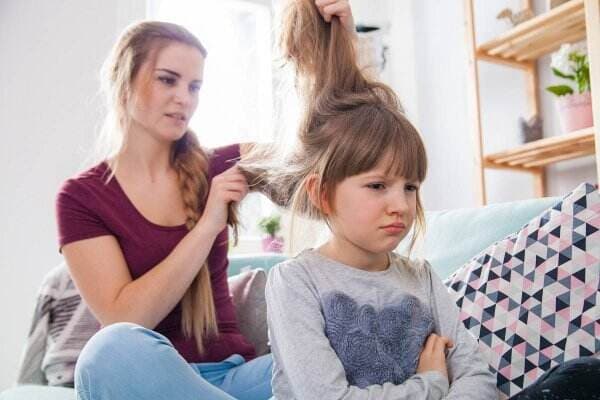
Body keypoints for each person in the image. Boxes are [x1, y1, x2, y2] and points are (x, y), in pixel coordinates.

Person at [255, 1, 600, 400]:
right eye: (377, 186)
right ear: (321, 193)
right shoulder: (295, 282)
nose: (400, 205)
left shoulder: (422, 278)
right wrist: (431, 383)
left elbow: (475, 376)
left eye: (410, 187)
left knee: (582, 375)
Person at [56, 3, 355, 399]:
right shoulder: (81, 198)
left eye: (194, 86)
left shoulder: (223, 163)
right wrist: (208, 224)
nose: (184, 98)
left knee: (351, 347)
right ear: (123, 82)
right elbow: (125, 318)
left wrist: (340, 49)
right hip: (148, 379)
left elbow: (331, 188)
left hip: (237, 380)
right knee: (105, 352)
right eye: (168, 80)